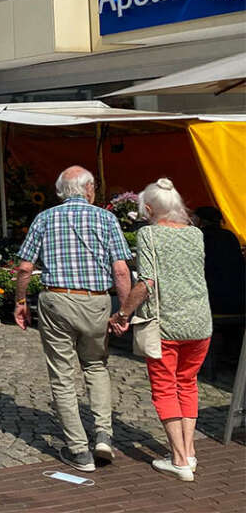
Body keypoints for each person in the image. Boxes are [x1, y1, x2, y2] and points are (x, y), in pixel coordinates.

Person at [13, 166, 132, 473]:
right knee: (96, 366)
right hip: (96, 301)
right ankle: (103, 434)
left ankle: (79, 451)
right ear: (89, 189)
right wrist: (124, 311)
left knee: (62, 376)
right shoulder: (107, 218)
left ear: (60, 192)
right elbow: (121, 270)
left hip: (57, 299)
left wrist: (20, 301)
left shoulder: (44, 218)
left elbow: (25, 268)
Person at [109, 179, 212, 482]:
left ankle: (178, 459)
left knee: (166, 388)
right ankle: (189, 452)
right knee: (188, 384)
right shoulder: (195, 234)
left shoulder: (149, 234)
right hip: (200, 321)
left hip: (166, 324)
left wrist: (123, 312)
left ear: (150, 208)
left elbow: (147, 282)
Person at [193, 205, 245, 316]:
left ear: (201, 220)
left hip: (210, 301)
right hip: (237, 300)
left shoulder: (199, 237)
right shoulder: (230, 236)